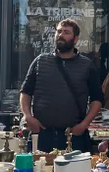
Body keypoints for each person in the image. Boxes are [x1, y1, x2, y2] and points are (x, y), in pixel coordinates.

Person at [20, 18, 103, 153]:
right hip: (42, 134)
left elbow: (97, 99)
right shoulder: (40, 61)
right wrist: (28, 117)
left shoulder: (87, 66)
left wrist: (84, 125)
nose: (61, 35)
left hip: (73, 136)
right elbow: (26, 92)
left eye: (66, 32)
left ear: (75, 39)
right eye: (58, 31)